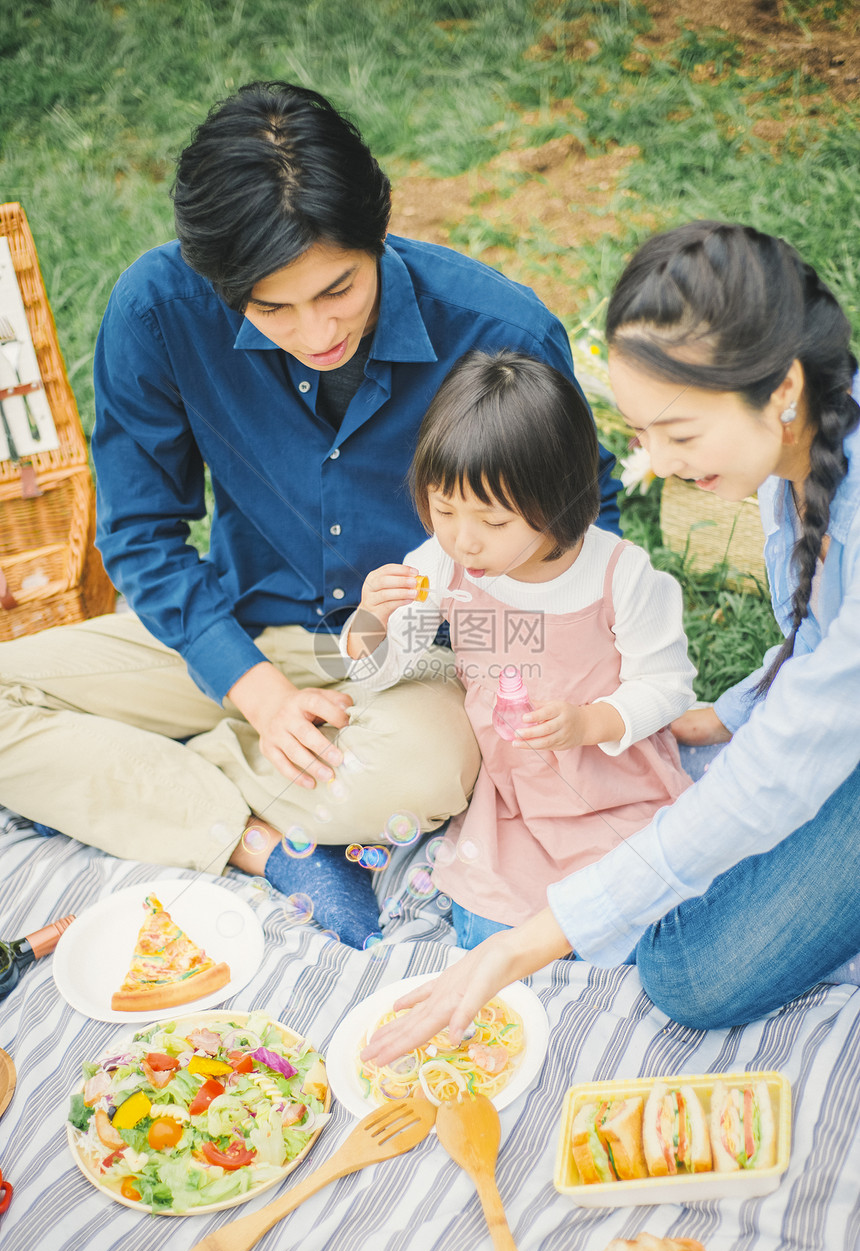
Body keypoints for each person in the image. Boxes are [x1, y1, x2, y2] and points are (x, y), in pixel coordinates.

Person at [0, 82, 621, 948]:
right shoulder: (158, 310)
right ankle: (262, 842)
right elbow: (141, 534)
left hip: (424, 662)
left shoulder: (497, 331)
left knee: (431, 774)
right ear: (221, 285)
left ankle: (169, 771)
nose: (314, 330)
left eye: (338, 289)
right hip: (244, 626)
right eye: (268, 308)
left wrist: (502, 650)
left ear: (376, 235)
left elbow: (590, 525)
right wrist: (256, 692)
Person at [361, 218, 860, 1050]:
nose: (658, 466)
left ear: (781, 389)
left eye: (681, 432)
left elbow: (779, 775)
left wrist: (538, 936)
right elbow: (821, 641)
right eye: (641, 434)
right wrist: (737, 711)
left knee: (686, 972)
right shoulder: (793, 464)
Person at [344, 350, 695, 948]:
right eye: (443, 508)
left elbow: (667, 684)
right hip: (512, 797)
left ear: (556, 505)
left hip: (610, 780)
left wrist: (590, 722)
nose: (462, 538)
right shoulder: (438, 567)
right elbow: (378, 674)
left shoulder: (620, 576)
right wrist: (371, 619)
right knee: (485, 930)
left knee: (645, 917)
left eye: (492, 521)